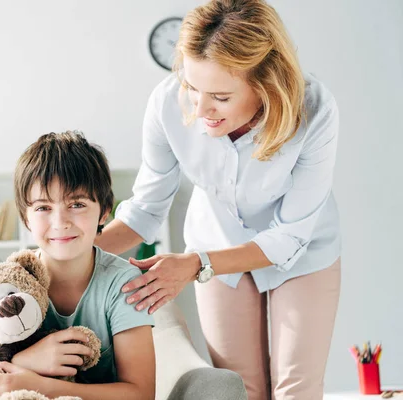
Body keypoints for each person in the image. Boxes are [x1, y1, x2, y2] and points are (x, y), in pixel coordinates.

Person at [95, 1, 341, 399]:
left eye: (221, 97)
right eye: (193, 87)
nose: (200, 109)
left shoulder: (313, 109)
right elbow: (145, 211)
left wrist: (195, 265)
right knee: (240, 389)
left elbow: (289, 237)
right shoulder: (166, 103)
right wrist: (56, 258)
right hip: (215, 242)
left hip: (304, 253)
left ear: (265, 84)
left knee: (296, 388)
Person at [0, 131, 155, 400]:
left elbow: (141, 394)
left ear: (105, 210)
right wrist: (24, 364)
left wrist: (45, 386)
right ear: (25, 218)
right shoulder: (5, 282)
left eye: (77, 204)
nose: (60, 222)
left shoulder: (123, 284)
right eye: (43, 208)